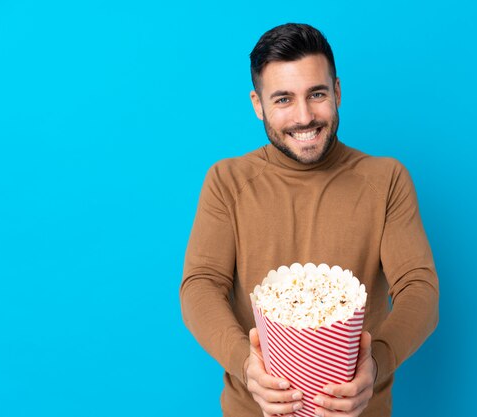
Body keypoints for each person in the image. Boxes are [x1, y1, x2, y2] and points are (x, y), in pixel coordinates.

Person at [180, 23, 439, 417]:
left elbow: (419, 289)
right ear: (257, 104)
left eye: (316, 94)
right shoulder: (227, 182)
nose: (304, 117)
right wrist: (246, 365)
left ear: (337, 91)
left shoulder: (386, 180)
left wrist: (376, 363)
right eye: (283, 99)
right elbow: (200, 286)